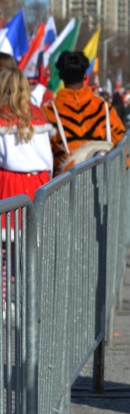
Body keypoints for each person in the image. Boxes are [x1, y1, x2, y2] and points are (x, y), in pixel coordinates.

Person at [0, 67, 54, 309]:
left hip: (8, 183)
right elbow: (48, 158)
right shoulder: (38, 116)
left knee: (4, 250)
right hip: (36, 182)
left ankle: (4, 299)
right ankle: (26, 300)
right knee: (29, 249)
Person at [42, 51, 126, 174]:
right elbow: (121, 143)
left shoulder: (49, 111)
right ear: (85, 76)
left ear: (61, 76)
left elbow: (44, 152)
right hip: (101, 182)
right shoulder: (104, 108)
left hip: (65, 187)